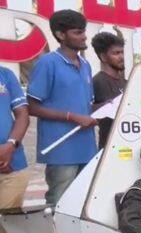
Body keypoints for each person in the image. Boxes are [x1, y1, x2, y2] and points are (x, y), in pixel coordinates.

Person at [27, 9, 98, 205]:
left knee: (84, 203)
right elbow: (32, 107)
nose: (84, 36)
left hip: (87, 147)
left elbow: (85, 105)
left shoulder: (85, 65)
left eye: (83, 31)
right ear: (60, 35)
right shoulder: (47, 63)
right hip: (61, 149)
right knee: (60, 203)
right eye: (77, 32)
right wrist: (71, 117)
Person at [0, 67, 40, 233]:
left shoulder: (5, 74)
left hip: (13, 161)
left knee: (9, 221)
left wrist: (10, 145)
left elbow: (22, 113)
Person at [90, 31, 126, 150]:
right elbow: (86, 110)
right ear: (103, 57)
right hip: (108, 148)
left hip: (128, 143)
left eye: (122, 52)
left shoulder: (126, 82)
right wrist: (102, 107)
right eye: (116, 53)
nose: (121, 57)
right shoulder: (96, 81)